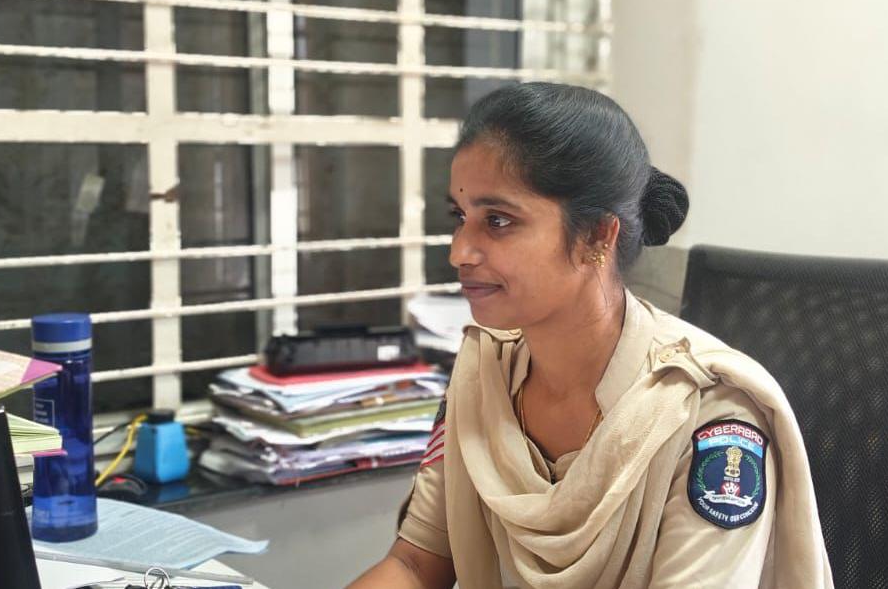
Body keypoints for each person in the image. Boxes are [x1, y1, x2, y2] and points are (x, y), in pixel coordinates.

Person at [347, 83, 834, 589]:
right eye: (460, 218)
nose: (459, 252)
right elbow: (415, 564)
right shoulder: (483, 373)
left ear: (598, 236)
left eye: (498, 221)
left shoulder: (709, 414)